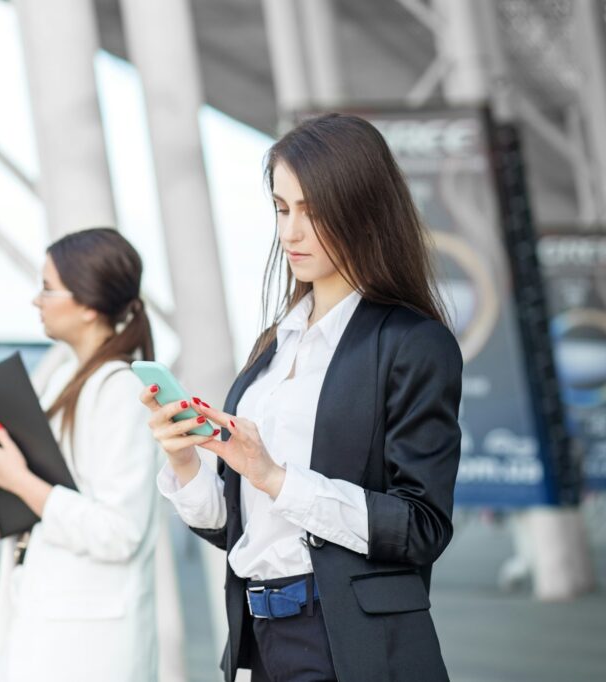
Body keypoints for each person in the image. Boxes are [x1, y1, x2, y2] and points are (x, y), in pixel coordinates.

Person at [141, 114, 463, 682]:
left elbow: (421, 527)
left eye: (314, 211)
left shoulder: (413, 343)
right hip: (263, 640)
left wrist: (275, 476)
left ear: (363, 210)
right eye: (282, 208)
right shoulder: (275, 344)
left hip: (352, 644)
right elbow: (245, 527)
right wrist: (186, 460)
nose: (291, 232)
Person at [0, 228, 160, 682]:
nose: (37, 300)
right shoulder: (66, 381)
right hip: (53, 624)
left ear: (89, 305)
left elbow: (121, 531)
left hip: (88, 646)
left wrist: (21, 481)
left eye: (49, 288)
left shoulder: (119, 391)